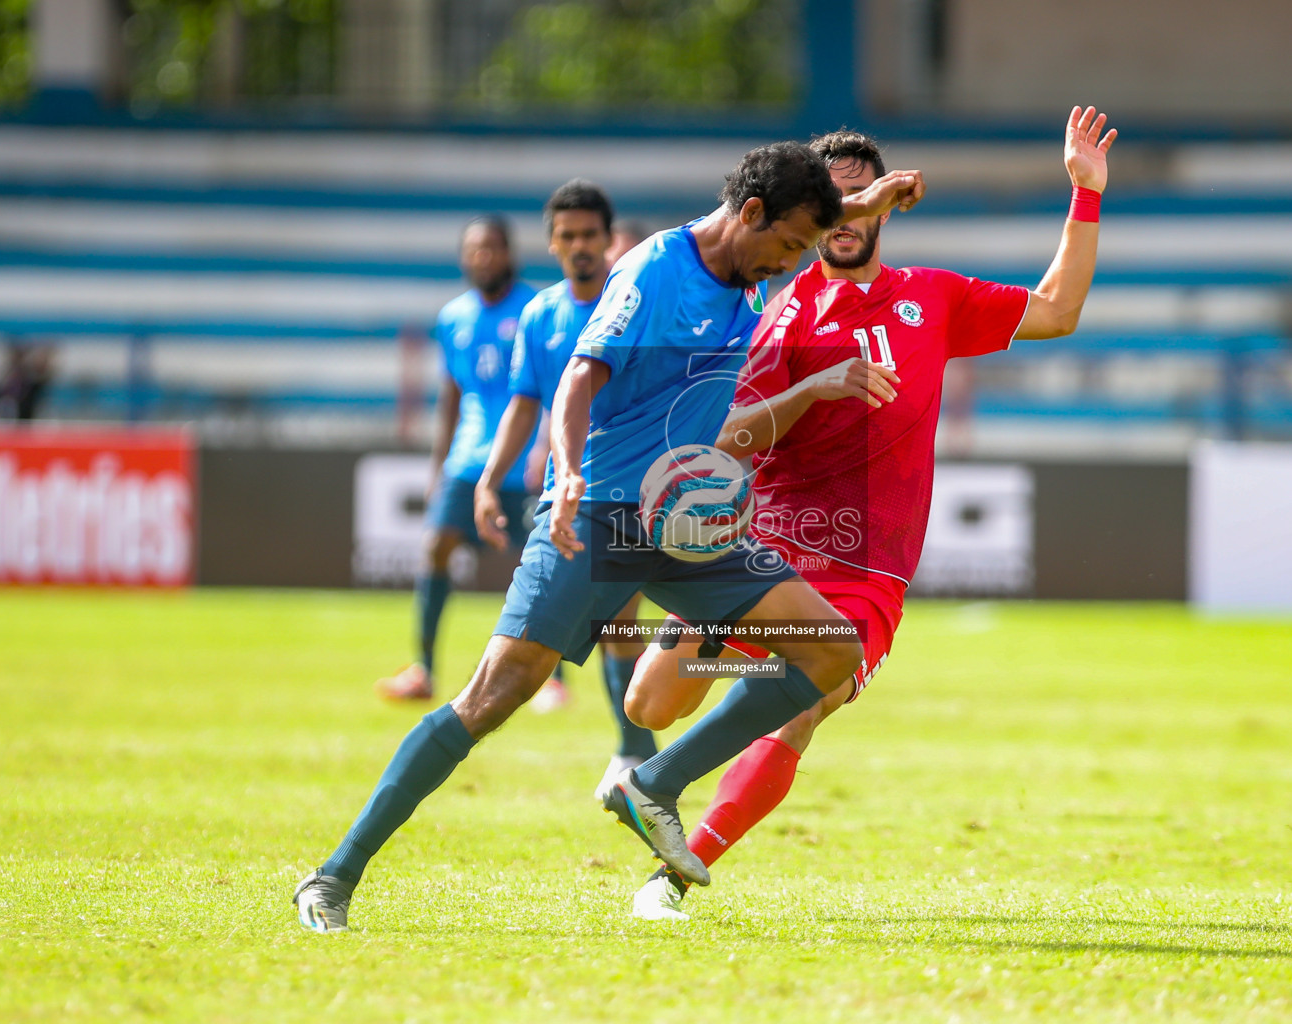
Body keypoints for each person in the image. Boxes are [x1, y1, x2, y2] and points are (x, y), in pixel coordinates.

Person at [293, 141, 925, 932]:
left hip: (689, 528)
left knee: (829, 648)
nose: (789, 268)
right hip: (599, 517)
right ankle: (334, 874)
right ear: (753, 216)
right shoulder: (657, 273)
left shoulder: (753, 256)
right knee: (496, 694)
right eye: (790, 247)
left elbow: (814, 225)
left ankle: (651, 783)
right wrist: (569, 474)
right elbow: (576, 380)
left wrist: (870, 206)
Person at [622, 110, 1116, 921]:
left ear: (885, 207)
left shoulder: (932, 297)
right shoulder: (775, 316)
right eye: (835, 200)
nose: (851, 215)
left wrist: (1085, 195)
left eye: (865, 196)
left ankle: (671, 877)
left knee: (804, 701)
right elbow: (725, 443)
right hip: (767, 549)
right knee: (652, 704)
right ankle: (734, 683)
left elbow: (1057, 310)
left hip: (867, 576)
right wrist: (805, 393)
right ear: (814, 214)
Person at [471, 179, 658, 797]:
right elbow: (524, 405)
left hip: (632, 490)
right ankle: (637, 752)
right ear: (552, 243)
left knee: (618, 620)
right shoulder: (540, 314)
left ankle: (637, 750)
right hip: (566, 494)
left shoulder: (635, 303)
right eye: (568, 236)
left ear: (609, 241)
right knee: (595, 630)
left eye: (589, 236)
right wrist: (490, 479)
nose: (579, 246)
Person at [375, 216, 551, 702]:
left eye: (493, 247)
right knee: (435, 547)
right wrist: (438, 467)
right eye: (475, 249)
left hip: (523, 461)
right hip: (468, 461)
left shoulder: (537, 309)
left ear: (510, 254)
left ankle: (553, 680)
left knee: (541, 567)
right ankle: (424, 670)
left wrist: (547, 445)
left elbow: (556, 385)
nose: (484, 256)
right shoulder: (453, 317)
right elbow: (451, 395)